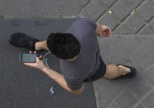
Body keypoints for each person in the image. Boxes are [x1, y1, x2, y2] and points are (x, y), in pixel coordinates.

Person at [8, 18, 136, 95]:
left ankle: (121, 70)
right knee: (104, 68)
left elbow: (77, 91)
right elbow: (97, 27)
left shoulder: (73, 75)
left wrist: (43, 68)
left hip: (93, 70)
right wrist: (101, 28)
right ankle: (36, 45)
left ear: (61, 58)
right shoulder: (82, 26)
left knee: (106, 71)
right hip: (94, 53)